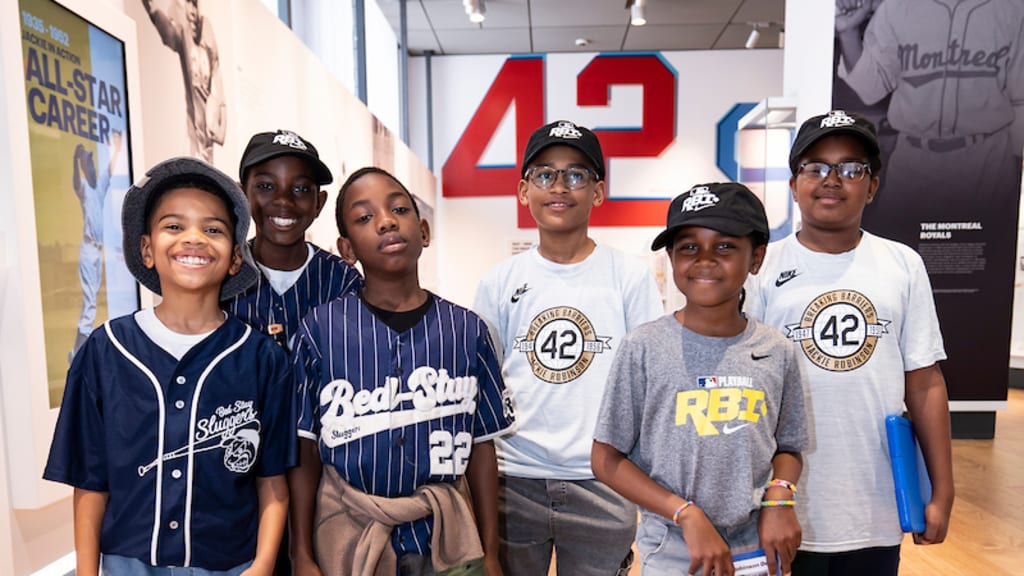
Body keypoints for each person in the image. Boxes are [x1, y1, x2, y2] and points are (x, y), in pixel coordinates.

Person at [43, 156, 294, 576]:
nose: (193, 238)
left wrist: (263, 564)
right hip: (128, 564)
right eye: (174, 226)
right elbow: (90, 481)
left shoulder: (262, 357)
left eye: (213, 229)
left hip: (230, 564)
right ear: (147, 248)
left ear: (235, 257)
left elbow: (272, 483)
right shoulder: (105, 351)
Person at [745, 110, 955, 576]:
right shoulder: (761, 268)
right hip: (783, 504)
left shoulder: (901, 264)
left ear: (872, 186)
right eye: (815, 167)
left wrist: (942, 491)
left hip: (874, 503)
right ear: (794, 183)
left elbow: (924, 382)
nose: (831, 180)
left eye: (850, 168)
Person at [289, 167, 516, 576]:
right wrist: (301, 554)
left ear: (424, 231)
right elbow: (304, 451)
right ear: (346, 248)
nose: (386, 221)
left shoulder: (466, 330)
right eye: (364, 217)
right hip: (350, 533)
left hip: (446, 536)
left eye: (398, 209)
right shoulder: (320, 330)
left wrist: (492, 553)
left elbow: (483, 448)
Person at [472, 120, 663, 575]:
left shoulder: (628, 277)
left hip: (603, 477)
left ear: (598, 192)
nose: (560, 187)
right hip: (512, 478)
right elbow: (481, 383)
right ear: (523, 190)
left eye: (576, 175)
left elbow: (650, 379)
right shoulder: (500, 282)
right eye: (545, 175)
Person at [591, 182, 808, 576]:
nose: (705, 259)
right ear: (671, 258)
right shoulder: (643, 347)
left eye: (725, 246)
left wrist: (781, 498)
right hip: (675, 545)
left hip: (755, 545)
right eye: (689, 247)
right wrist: (685, 513)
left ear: (756, 257)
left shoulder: (777, 349)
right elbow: (606, 459)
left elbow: (789, 446)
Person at [834, 0, 1024, 218]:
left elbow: (1020, 97)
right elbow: (871, 89)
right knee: (901, 248)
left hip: (988, 161)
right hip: (911, 162)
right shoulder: (896, 7)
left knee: (983, 250)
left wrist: (1017, 166)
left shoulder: (1012, 8)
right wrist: (848, 33)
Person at [225, 129, 362, 352]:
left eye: (301, 189)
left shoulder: (343, 281)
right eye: (266, 186)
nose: (284, 201)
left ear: (319, 202)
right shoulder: (225, 275)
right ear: (241, 195)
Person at [142, 0, 227, 163]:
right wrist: (151, 5)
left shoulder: (208, 45)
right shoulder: (184, 37)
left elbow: (220, 94)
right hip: (193, 143)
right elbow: (167, 31)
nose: (193, 12)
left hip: (208, 146)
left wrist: (221, 127)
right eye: (189, 4)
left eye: (195, 5)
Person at [70, 131, 123, 360]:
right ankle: (78, 354)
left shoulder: (98, 186)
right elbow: (75, 182)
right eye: (87, 163)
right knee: (90, 302)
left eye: (92, 162)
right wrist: (75, 160)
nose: (91, 167)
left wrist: (117, 149)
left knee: (92, 301)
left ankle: (78, 354)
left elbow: (110, 170)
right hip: (88, 248)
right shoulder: (83, 187)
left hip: (97, 250)